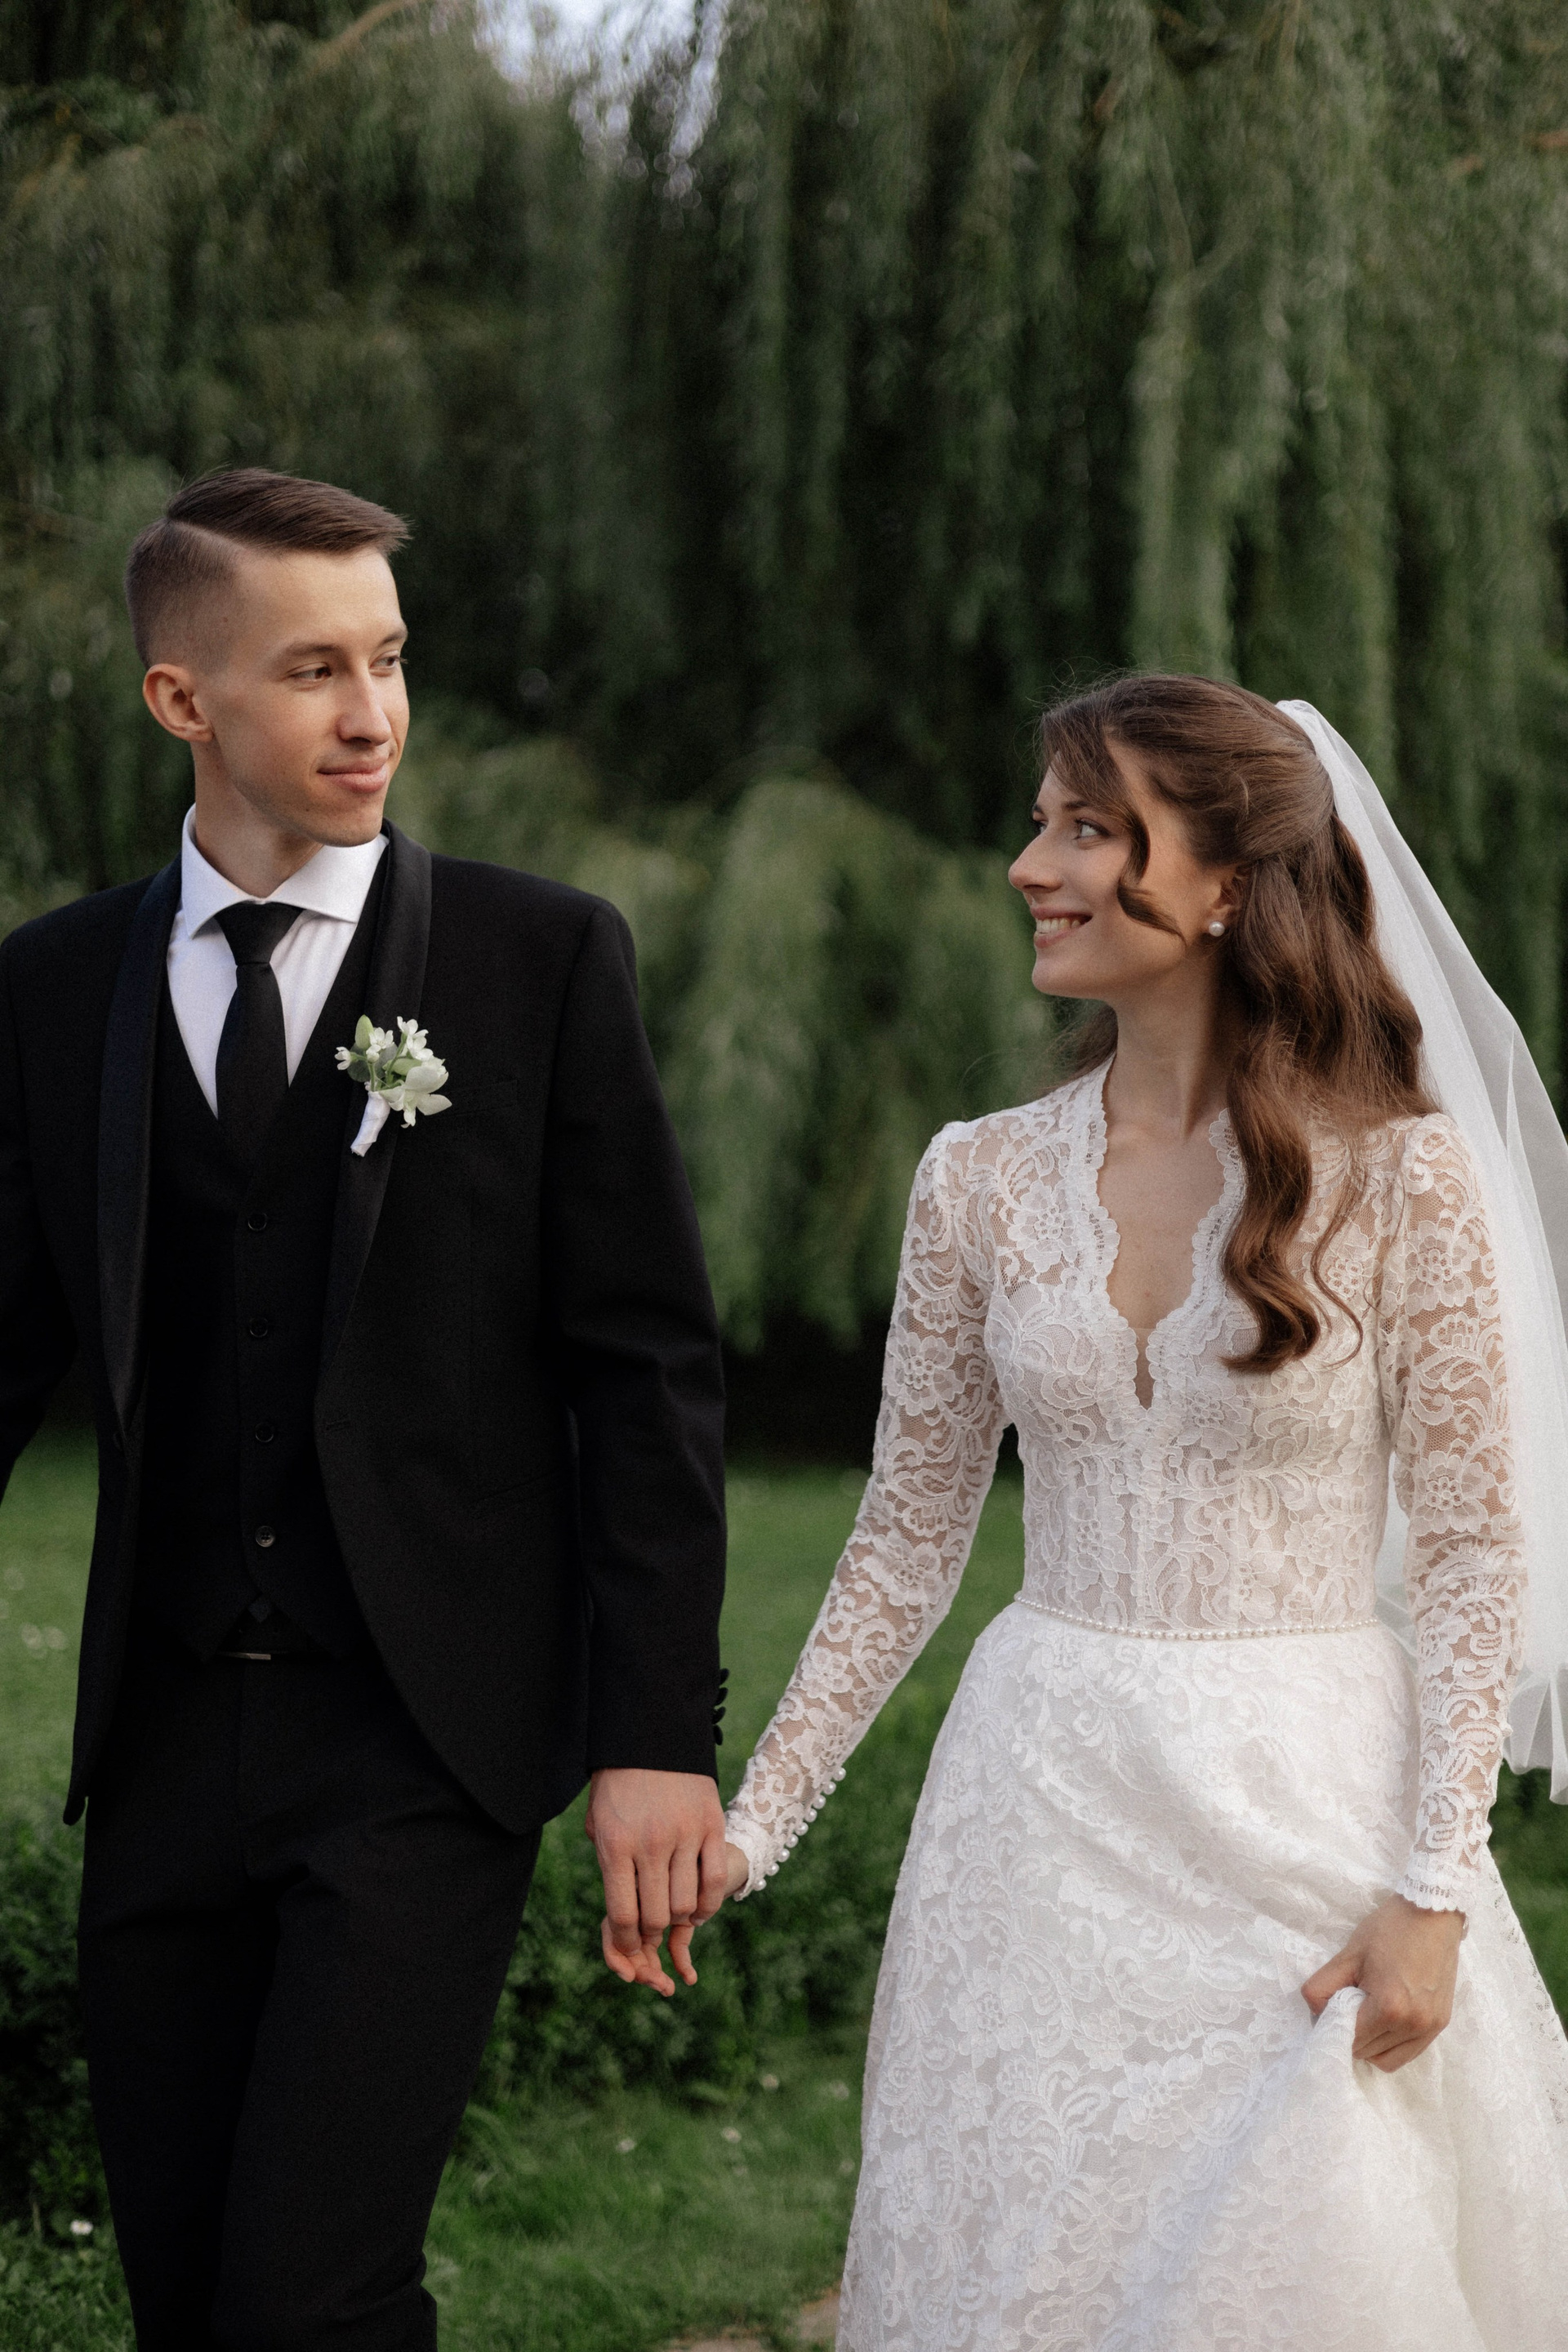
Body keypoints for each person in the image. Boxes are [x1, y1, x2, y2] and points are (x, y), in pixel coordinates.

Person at [714, 677, 1568, 2348]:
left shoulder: (1402, 1177)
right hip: (1039, 1812)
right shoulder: (974, 1178)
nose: (1031, 866)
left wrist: (1435, 1888)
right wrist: (758, 1826)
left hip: (1311, 1811)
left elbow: (1474, 1552)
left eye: (1092, 829)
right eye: (1042, 822)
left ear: (1231, 884)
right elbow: (906, 1537)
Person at [0, 467, 731, 2350]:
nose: (372, 713)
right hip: (159, 1746)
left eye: (389, 660)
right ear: (183, 699)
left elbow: (644, 1373)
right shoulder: (53, 988)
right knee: (184, 2296)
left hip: (421, 1742)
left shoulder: (537, 958)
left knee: (313, 2299)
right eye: (314, 668)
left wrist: (656, 1736)